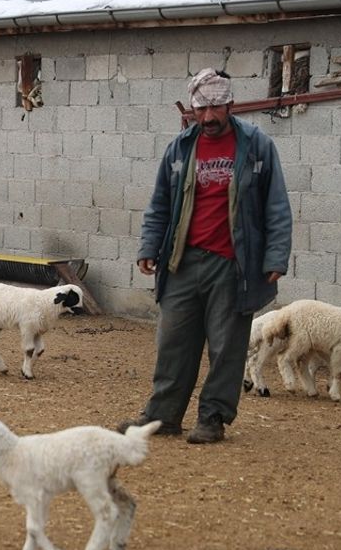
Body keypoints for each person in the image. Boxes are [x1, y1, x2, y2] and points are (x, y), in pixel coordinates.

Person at [119, 68, 292, 444]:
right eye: (202, 109)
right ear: (192, 109)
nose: (210, 117)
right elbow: (160, 203)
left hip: (233, 265)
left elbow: (276, 203)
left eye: (217, 108)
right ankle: (163, 415)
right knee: (173, 341)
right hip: (182, 259)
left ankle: (213, 417)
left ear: (230, 105)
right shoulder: (180, 148)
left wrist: (276, 255)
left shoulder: (257, 146)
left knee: (226, 346)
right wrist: (149, 245)